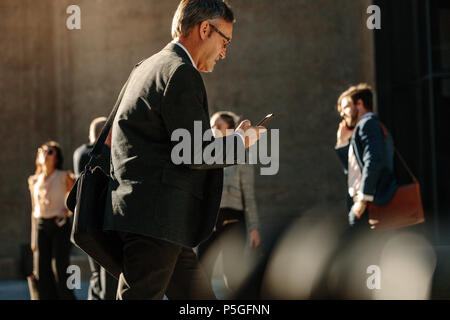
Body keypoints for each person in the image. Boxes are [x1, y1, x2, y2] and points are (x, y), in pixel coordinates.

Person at [103, 0, 265, 300]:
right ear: (205, 29)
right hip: (157, 220)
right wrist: (241, 141)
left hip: (155, 219)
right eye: (224, 40)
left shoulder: (147, 67)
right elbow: (195, 152)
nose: (224, 52)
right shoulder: (180, 73)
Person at [312, 83, 398, 299]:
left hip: (369, 204)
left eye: (345, 107)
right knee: (367, 255)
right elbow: (353, 171)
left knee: (367, 255)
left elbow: (373, 160)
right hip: (365, 202)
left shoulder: (367, 124)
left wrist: (363, 199)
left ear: (360, 104)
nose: (342, 113)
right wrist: (342, 143)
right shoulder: (363, 128)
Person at [197, 111, 261, 296]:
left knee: (232, 278)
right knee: (200, 273)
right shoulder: (204, 155)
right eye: (211, 126)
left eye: (218, 126)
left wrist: (254, 228)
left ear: (231, 130)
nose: (213, 130)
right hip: (209, 221)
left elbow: (248, 195)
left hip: (233, 221)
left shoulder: (242, 157)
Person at [73, 117, 117, 300]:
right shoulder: (105, 152)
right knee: (109, 272)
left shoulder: (79, 153)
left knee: (95, 272)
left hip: (84, 220)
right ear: (107, 133)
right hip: (103, 221)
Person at [27, 141, 76, 300]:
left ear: (56, 157)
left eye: (50, 152)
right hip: (41, 225)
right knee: (42, 269)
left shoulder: (65, 176)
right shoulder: (34, 180)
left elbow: (75, 201)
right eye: (42, 150)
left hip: (59, 225)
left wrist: (66, 213)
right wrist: (33, 240)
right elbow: (33, 210)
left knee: (61, 267)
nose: (45, 154)